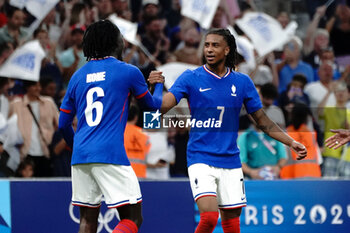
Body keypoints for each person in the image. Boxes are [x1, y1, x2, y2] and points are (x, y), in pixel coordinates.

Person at [148, 28, 307, 233]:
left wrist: (290, 142)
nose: (209, 49)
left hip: (230, 160)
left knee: (232, 225)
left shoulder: (242, 82)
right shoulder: (191, 77)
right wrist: (157, 87)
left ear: (227, 50)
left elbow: (262, 120)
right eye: (207, 45)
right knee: (209, 218)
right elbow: (159, 108)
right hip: (200, 158)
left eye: (215, 45)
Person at [58, 20, 164, 233]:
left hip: (80, 156)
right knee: (133, 218)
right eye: (120, 38)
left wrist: (77, 145)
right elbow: (153, 109)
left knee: (87, 221)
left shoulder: (77, 77)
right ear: (115, 43)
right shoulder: (128, 71)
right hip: (110, 154)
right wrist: (158, 84)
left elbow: (63, 125)